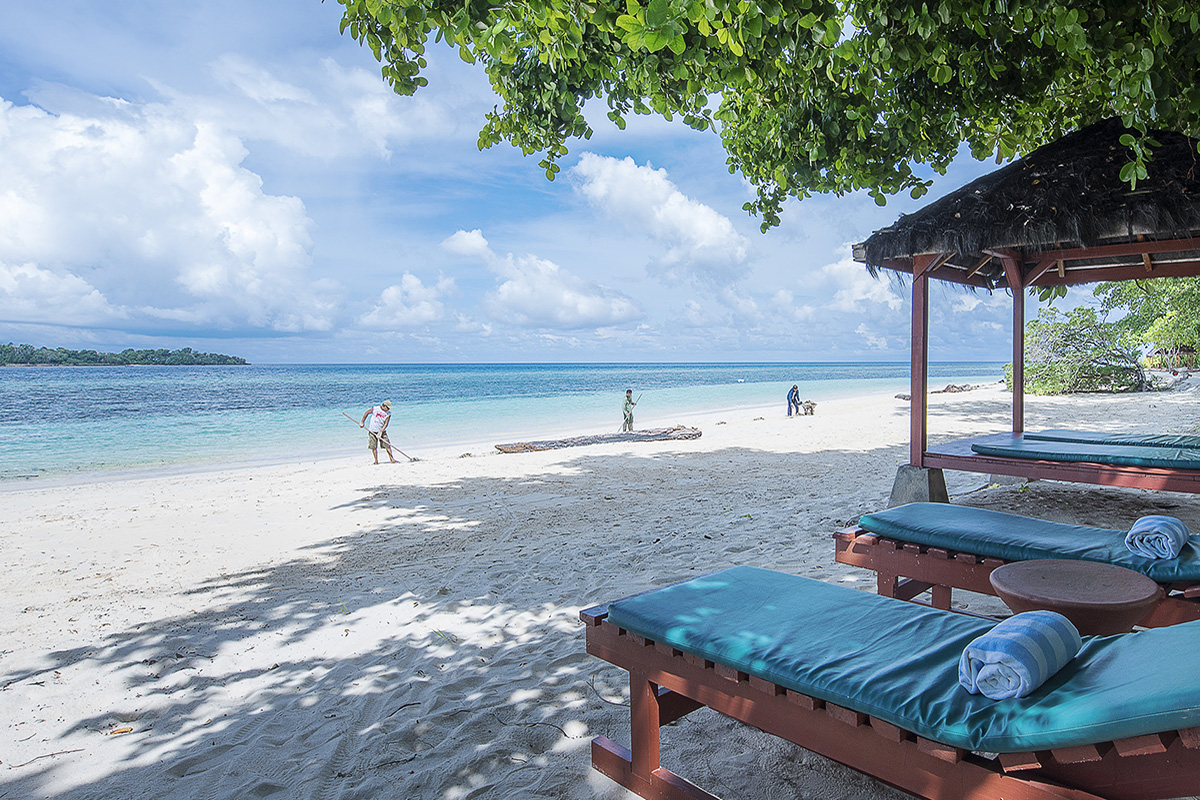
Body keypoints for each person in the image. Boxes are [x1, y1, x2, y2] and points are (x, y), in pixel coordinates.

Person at [360, 400, 399, 464]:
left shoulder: (388, 413)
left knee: (387, 445)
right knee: (373, 446)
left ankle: (392, 459)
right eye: (388, 407)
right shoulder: (376, 409)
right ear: (383, 406)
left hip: (382, 431)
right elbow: (366, 413)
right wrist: (362, 422)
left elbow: (386, 423)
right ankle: (376, 461)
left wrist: (381, 431)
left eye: (389, 408)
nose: (388, 409)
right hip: (372, 431)